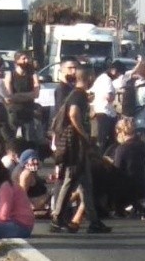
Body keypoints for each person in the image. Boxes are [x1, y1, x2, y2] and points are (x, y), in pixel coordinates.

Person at [50, 67, 112, 234]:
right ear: (89, 77)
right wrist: (83, 134)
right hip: (74, 146)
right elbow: (73, 113)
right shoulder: (78, 95)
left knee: (86, 184)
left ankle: (94, 222)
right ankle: (57, 217)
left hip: (80, 147)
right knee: (70, 180)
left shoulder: (78, 94)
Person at [113, 117, 145, 221]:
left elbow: (117, 169)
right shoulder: (142, 145)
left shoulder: (122, 149)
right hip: (142, 185)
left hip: (127, 187)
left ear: (121, 132)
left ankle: (117, 208)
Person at [90, 60, 126, 155]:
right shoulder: (107, 80)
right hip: (105, 113)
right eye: (119, 74)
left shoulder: (101, 78)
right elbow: (109, 97)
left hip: (100, 111)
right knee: (106, 140)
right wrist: (115, 96)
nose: (118, 77)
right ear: (114, 71)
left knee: (102, 139)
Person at [5, 51, 40, 141]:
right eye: (23, 58)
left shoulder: (33, 75)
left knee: (29, 140)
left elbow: (36, 94)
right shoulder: (10, 75)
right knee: (12, 140)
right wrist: (28, 95)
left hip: (28, 113)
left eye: (27, 58)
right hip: (14, 114)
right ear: (16, 61)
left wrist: (17, 96)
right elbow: (9, 98)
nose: (26, 61)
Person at [13, 149, 51, 214]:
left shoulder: (28, 170)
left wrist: (45, 180)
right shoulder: (26, 174)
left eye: (36, 159)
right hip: (36, 203)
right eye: (33, 160)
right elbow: (22, 194)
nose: (36, 162)